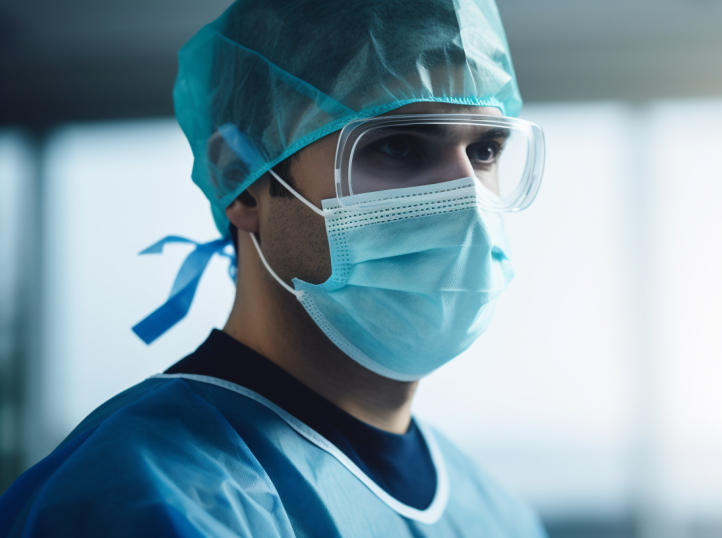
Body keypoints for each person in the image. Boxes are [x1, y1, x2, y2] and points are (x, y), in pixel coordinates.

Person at [0, 0, 547, 536]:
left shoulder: (497, 515)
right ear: (241, 176)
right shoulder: (142, 498)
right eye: (398, 146)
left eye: (485, 151)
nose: (465, 201)